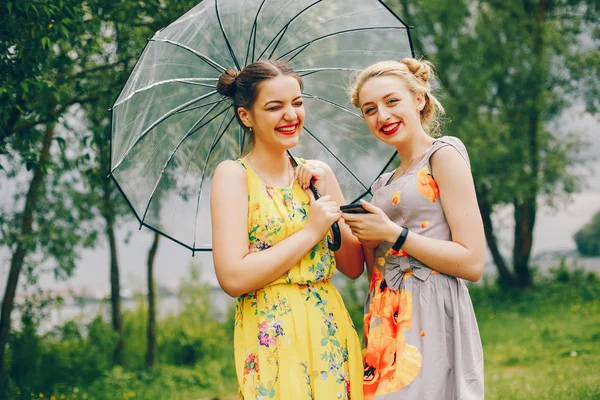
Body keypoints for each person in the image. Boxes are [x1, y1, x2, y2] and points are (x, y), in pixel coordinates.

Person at [210, 60, 365, 399]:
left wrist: (324, 201)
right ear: (245, 116)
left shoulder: (318, 174)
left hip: (327, 325)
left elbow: (353, 267)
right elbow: (233, 278)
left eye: (297, 102)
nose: (291, 115)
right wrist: (310, 232)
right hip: (271, 333)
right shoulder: (233, 176)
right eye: (274, 107)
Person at [343, 58, 486, 399]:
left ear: (419, 99)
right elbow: (371, 272)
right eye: (370, 109)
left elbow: (471, 263)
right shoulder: (381, 184)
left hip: (432, 311)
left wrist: (394, 234)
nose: (382, 116)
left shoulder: (443, 155)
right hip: (384, 316)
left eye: (392, 101)